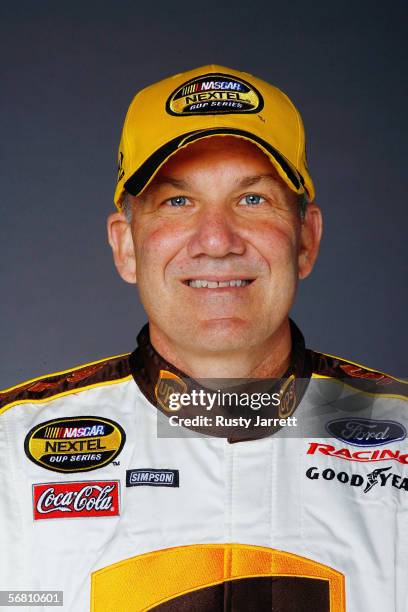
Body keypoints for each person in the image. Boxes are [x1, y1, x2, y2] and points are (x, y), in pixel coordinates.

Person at [0, 65, 406, 612]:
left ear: (306, 238)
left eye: (253, 199)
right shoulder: (9, 454)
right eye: (177, 202)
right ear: (125, 245)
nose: (216, 240)